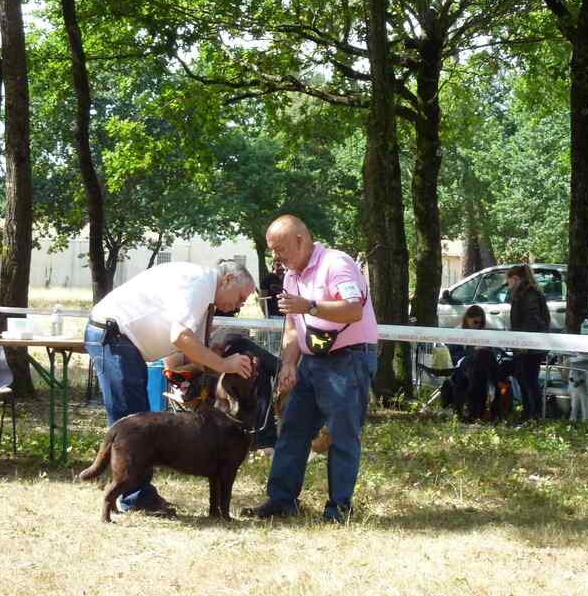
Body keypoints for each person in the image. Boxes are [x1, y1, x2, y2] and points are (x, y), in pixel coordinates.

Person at [84, 260, 256, 514]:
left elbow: (188, 351)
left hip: (124, 340)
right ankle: (134, 498)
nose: (241, 305)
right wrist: (223, 364)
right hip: (114, 335)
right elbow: (180, 338)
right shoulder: (200, 284)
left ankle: (134, 495)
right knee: (131, 420)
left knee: (137, 417)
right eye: (242, 297)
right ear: (228, 279)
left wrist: (210, 358)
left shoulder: (205, 289)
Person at [243, 214, 378, 523]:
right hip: (312, 362)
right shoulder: (291, 275)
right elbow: (293, 325)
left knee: (343, 436)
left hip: (349, 359)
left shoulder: (337, 263)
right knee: (292, 430)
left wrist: (311, 306)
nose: (275, 257)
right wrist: (289, 363)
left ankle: (338, 510)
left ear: (301, 240)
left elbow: (353, 309)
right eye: (272, 250)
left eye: (279, 249)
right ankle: (281, 501)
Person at [507, 264, 550, 421]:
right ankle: (528, 413)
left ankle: (534, 414)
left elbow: (532, 319)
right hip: (528, 344)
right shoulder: (524, 293)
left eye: (509, 281)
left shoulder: (529, 294)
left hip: (530, 345)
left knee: (529, 379)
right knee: (524, 378)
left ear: (516, 279)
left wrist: (524, 342)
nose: (508, 285)